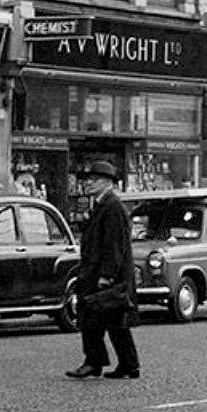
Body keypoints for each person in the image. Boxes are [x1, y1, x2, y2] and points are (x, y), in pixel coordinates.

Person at [65, 161, 140, 381]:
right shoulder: (100, 204)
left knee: (93, 318)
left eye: (94, 180)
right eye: (87, 180)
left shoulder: (113, 206)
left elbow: (115, 244)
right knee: (114, 322)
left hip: (104, 274)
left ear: (108, 182)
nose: (88, 183)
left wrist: (106, 275)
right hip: (97, 271)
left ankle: (94, 362)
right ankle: (127, 365)